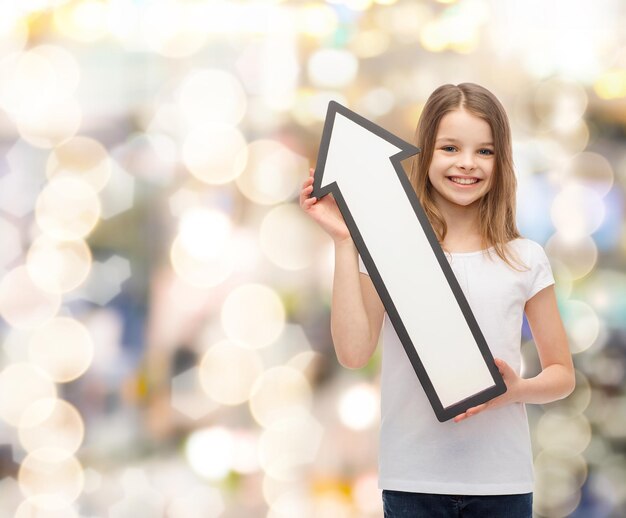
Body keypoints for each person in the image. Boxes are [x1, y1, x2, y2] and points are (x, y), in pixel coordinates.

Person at [299, 83, 575, 518]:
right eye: (450, 147)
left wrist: (515, 390)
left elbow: (562, 374)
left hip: (501, 481)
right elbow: (353, 353)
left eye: (484, 152)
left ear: (501, 162)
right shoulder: (390, 249)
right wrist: (345, 242)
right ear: (426, 152)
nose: (467, 163)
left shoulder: (525, 258)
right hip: (412, 480)